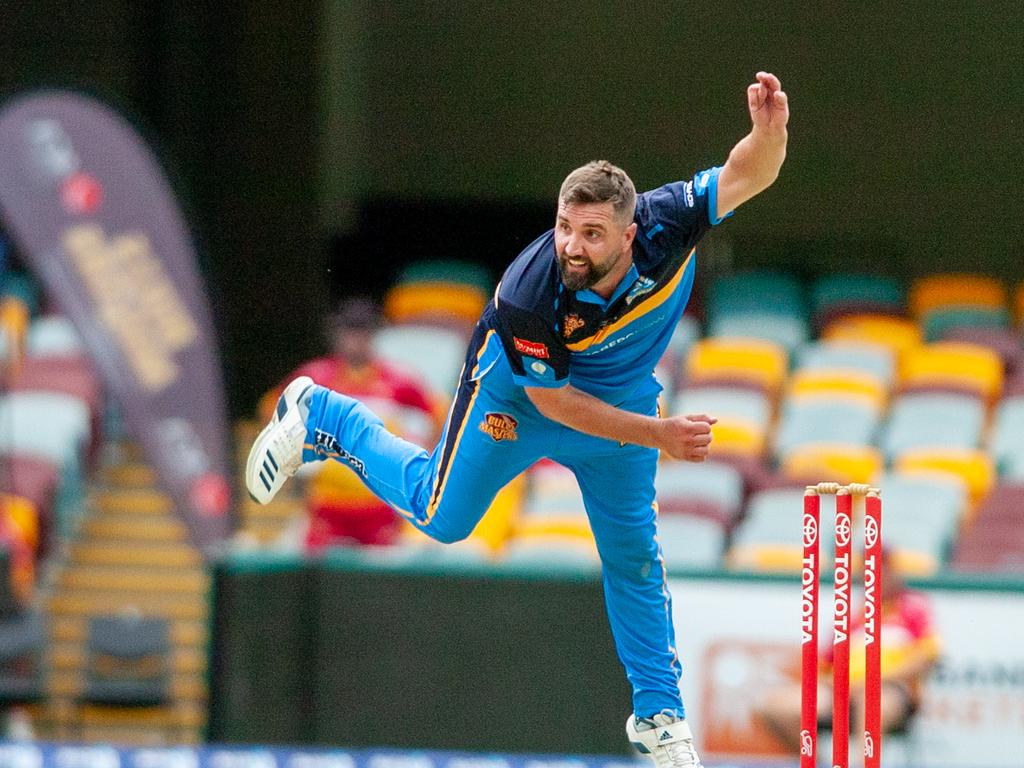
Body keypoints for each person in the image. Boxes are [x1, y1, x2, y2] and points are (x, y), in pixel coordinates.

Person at [246, 72, 789, 767]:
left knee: (634, 556)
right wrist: (658, 435)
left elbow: (751, 172)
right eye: (565, 226)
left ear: (631, 234)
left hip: (619, 401)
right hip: (521, 396)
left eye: (591, 234)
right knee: (442, 518)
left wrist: (768, 137)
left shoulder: (671, 220)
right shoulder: (528, 292)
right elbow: (554, 403)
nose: (571, 245)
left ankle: (659, 714)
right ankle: (323, 415)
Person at [256, 297, 440, 549]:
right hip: (327, 504)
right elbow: (270, 408)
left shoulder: (398, 381)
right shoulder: (315, 377)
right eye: (350, 332)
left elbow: (438, 414)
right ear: (338, 334)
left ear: (373, 335)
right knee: (320, 580)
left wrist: (423, 463)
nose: (356, 340)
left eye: (362, 332)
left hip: (380, 504)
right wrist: (289, 459)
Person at [755, 547, 942, 755]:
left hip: (890, 688)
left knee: (871, 702)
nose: (876, 578)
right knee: (775, 707)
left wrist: (872, 679)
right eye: (868, 572)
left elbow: (927, 656)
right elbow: (823, 666)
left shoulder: (912, 608)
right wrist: (836, 682)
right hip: (841, 690)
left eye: (883, 570)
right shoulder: (853, 617)